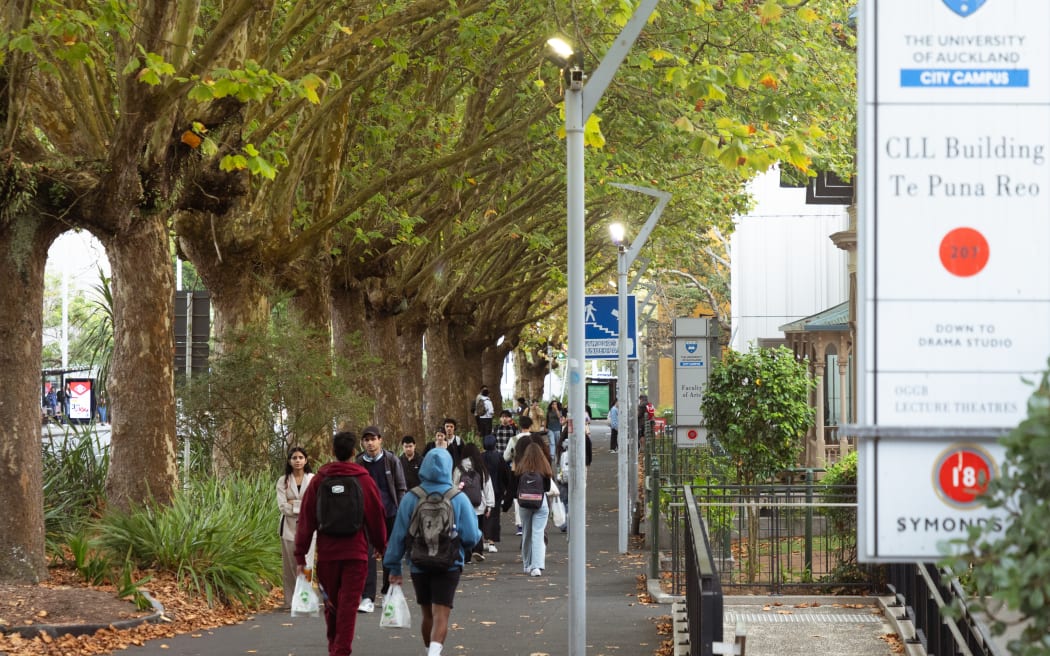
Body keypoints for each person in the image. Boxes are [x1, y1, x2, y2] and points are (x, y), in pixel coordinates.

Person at [294, 431, 388, 656]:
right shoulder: (364, 479)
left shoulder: (319, 480)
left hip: (326, 556)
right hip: (356, 554)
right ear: (355, 452)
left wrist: (300, 556)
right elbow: (376, 516)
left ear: (332, 451)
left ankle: (334, 649)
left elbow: (306, 520)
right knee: (348, 609)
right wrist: (383, 548)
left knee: (332, 608)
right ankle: (341, 651)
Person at [384, 448, 481, 656]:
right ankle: (434, 654)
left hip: (419, 563)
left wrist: (393, 566)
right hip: (449, 563)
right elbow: (471, 537)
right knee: (441, 615)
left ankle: (429, 650)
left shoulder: (412, 497)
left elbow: (399, 534)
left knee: (427, 613)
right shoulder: (458, 497)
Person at [354, 425, 407, 613]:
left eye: (373, 439)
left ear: (380, 440)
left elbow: (401, 487)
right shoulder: (359, 462)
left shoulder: (391, 460)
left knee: (389, 555)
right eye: (366, 440)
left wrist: (401, 511)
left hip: (390, 513)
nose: (370, 443)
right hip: (367, 516)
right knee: (367, 556)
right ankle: (367, 597)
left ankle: (387, 594)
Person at [503, 442, 553, 577]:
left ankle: (526, 564)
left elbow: (514, 489)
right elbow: (547, 488)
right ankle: (537, 566)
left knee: (526, 533)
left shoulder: (520, 468)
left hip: (524, 504)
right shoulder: (545, 468)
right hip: (540, 504)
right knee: (538, 533)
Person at [277, 447, 315, 609]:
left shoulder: (313, 479)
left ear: (306, 460)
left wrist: (294, 504)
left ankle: (305, 600)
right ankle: (290, 600)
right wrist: (301, 506)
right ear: (289, 461)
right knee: (290, 565)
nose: (298, 460)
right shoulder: (282, 481)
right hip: (288, 528)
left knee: (307, 564)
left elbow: (314, 505)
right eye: (294, 457)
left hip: (309, 527)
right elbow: (282, 507)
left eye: (301, 457)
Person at [454, 443, 494, 563]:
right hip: (479, 503)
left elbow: (454, 486)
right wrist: (489, 505)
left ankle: (466, 555)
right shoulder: (481, 468)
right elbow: (488, 487)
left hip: (463, 504)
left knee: (464, 529)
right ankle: (478, 550)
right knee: (479, 527)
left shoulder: (459, 468)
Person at [481, 434, 510, 552]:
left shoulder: (479, 457)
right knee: (494, 516)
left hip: (482, 490)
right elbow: (505, 475)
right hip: (497, 490)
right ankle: (492, 542)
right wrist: (506, 489)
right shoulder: (499, 457)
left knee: (482, 515)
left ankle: (483, 540)